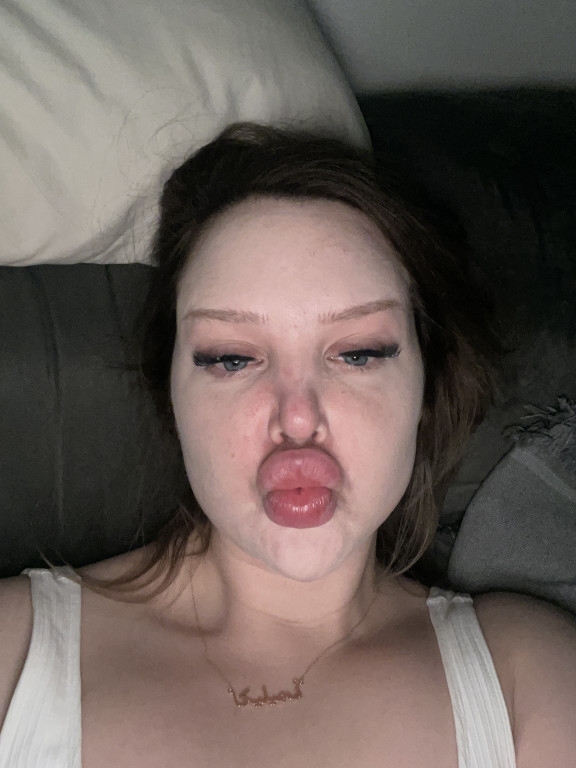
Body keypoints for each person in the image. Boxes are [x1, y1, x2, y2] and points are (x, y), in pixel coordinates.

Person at [0, 122, 575, 767]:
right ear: (172, 394)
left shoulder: (532, 679)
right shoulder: (11, 654)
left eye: (359, 353)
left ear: (426, 384)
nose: (298, 418)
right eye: (232, 358)